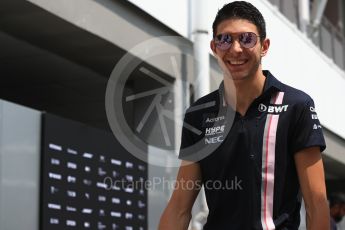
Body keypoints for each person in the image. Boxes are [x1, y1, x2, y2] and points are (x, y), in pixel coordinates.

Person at [158, 1, 330, 229]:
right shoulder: (199, 115)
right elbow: (179, 207)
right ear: (214, 47)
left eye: (247, 38)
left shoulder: (296, 106)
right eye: (225, 39)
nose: (235, 49)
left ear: (264, 46)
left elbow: (316, 203)